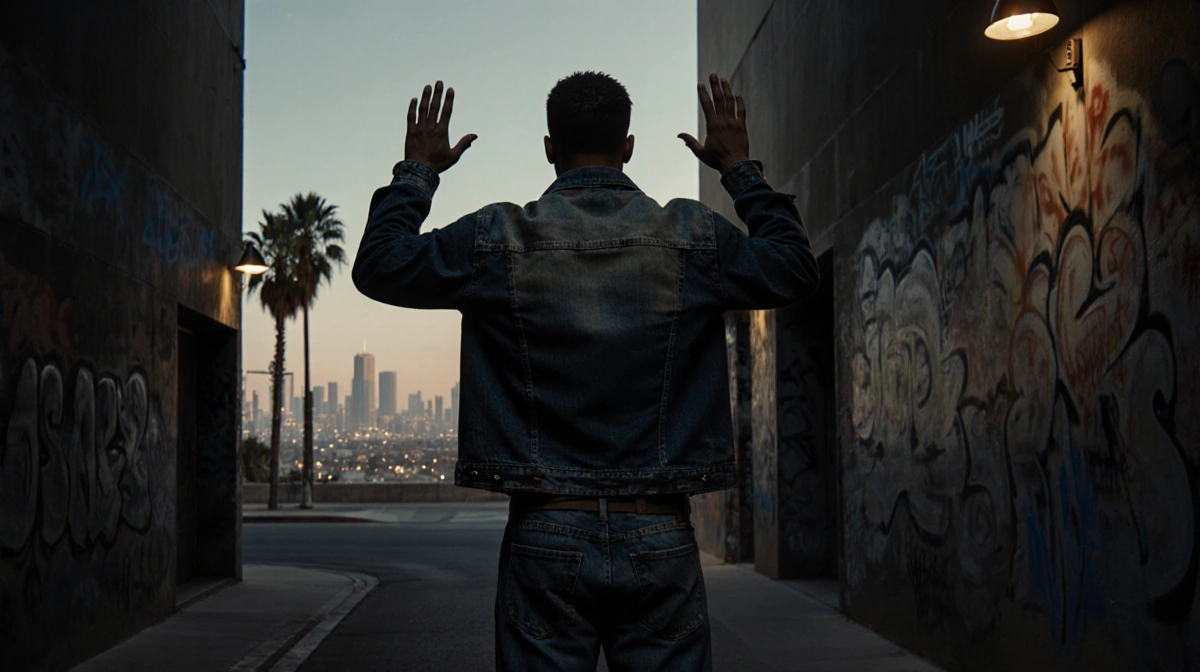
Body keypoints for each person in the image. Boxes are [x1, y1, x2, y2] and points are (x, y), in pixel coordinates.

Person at [352, 71, 817, 671]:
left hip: (544, 529)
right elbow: (795, 269)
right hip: (660, 530)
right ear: (628, 146)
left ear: (549, 149)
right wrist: (739, 170)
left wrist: (420, 171)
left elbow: (380, 263)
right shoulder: (693, 236)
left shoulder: (497, 238)